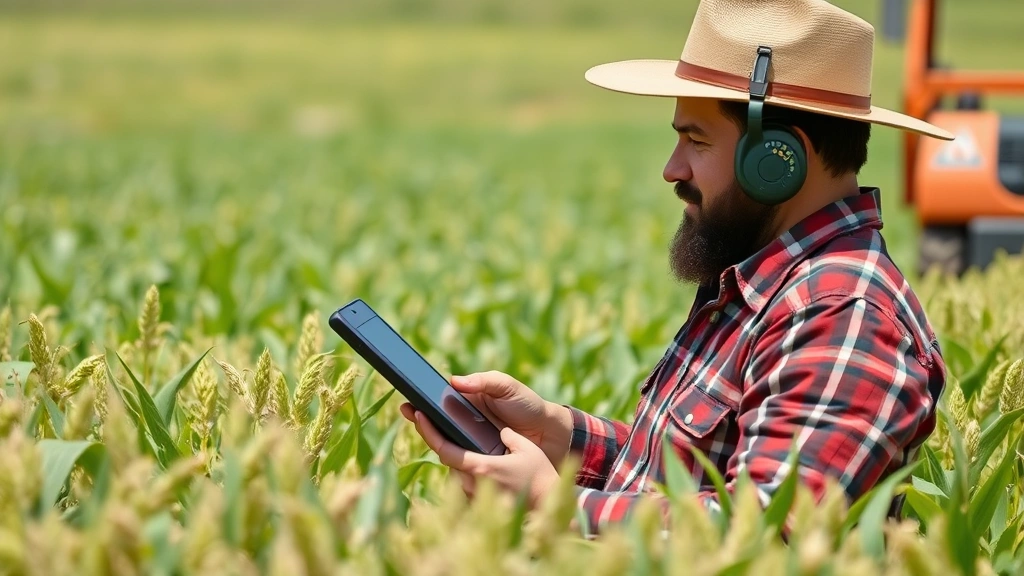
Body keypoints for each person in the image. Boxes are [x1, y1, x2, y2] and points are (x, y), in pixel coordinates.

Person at [400, 0, 952, 536]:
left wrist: (555, 503)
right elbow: (696, 473)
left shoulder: (840, 313)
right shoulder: (769, 281)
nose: (672, 168)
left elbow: (771, 529)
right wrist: (557, 434)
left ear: (776, 162)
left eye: (696, 139)